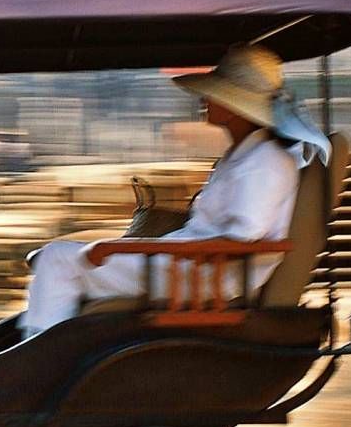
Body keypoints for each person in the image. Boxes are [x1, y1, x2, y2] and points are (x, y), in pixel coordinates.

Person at [21, 45, 302, 336]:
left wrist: (118, 248)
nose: (205, 99)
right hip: (186, 266)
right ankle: (50, 341)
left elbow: (242, 241)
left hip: (205, 279)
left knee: (56, 259)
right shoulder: (242, 157)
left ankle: (37, 354)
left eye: (215, 93)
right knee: (58, 259)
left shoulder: (264, 162)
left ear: (235, 107)